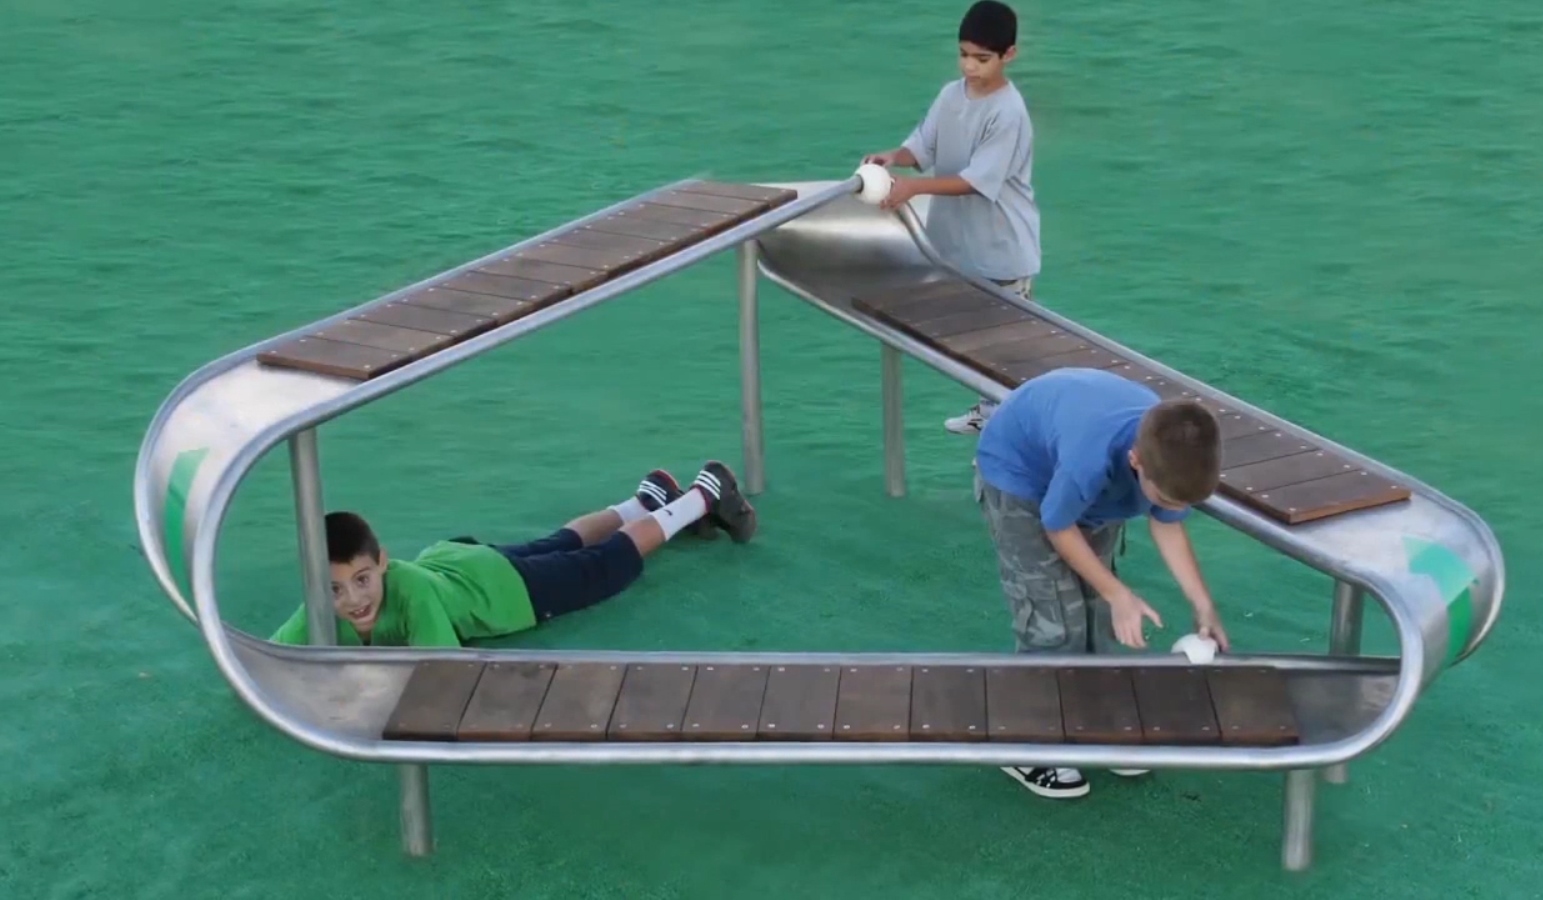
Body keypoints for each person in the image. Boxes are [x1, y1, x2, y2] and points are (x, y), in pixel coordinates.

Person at [972, 367, 1230, 799]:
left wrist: (1202, 604)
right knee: (1052, 619)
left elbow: (1168, 524)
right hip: (1020, 480)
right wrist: (1118, 592)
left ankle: (1094, 722)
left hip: (1088, 495)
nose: (1173, 508)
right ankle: (1022, 740)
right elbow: (1057, 524)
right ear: (1135, 462)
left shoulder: (1166, 458)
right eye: (1165, 498)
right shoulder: (1087, 458)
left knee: (1098, 615)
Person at [268, 462, 755, 647]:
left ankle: (704, 497)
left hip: (504, 592)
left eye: (361, 579)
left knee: (604, 566)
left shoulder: (410, 591)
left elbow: (437, 669)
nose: (352, 600)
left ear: (383, 564)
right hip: (459, 563)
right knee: (559, 543)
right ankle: (646, 500)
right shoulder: (318, 608)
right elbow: (273, 651)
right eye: (333, 588)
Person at [861, 0, 1041, 436]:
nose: (970, 67)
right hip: (961, 248)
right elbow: (922, 148)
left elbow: (976, 181)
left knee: (1007, 346)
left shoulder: (1009, 112)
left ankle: (1017, 425)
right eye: (964, 55)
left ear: (1008, 55)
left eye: (982, 59)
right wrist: (893, 158)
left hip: (1004, 251)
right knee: (977, 339)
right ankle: (990, 410)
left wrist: (910, 188)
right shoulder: (949, 95)